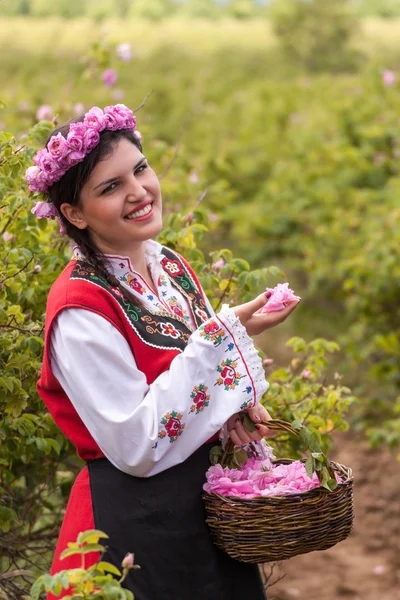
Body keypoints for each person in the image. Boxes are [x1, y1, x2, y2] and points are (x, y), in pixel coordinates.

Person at [26, 104, 300, 600]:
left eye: (140, 169)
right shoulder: (79, 309)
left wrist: (234, 403)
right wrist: (223, 337)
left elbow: (194, 379)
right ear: (74, 213)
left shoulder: (169, 266)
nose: (139, 192)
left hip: (201, 518)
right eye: (110, 187)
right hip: (130, 527)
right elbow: (136, 443)